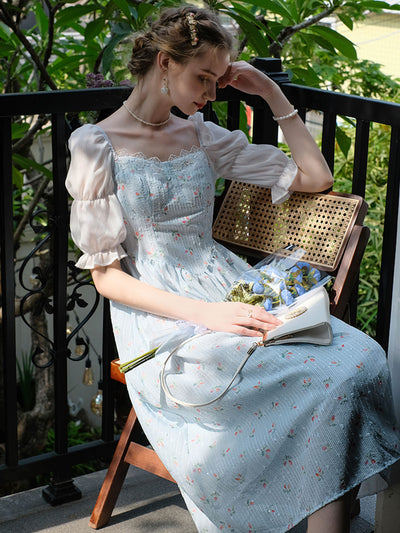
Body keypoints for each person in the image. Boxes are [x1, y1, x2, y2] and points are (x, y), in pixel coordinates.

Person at [66, 5, 399, 532]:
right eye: (203, 77)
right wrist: (209, 316)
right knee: (320, 382)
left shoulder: (202, 137)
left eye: (218, 80)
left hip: (231, 286)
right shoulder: (95, 146)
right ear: (164, 62)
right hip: (160, 313)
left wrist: (271, 93)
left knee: (359, 358)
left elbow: (316, 177)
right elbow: (108, 278)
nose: (211, 92)